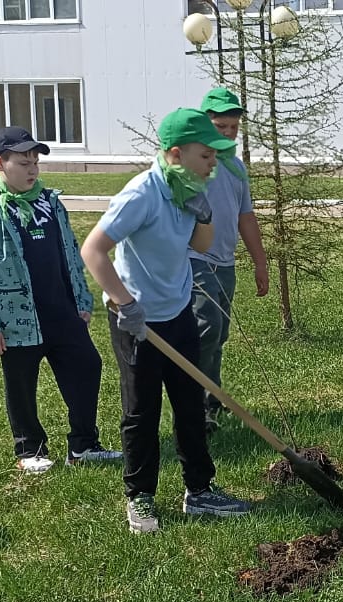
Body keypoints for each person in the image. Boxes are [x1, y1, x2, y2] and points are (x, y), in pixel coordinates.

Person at [81, 107, 254, 534]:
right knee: (142, 411)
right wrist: (126, 304)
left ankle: (199, 490)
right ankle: (139, 497)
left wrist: (205, 215)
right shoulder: (142, 194)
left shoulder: (187, 190)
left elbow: (200, 243)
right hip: (136, 321)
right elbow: (93, 251)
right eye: (206, 156)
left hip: (177, 311)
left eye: (216, 156)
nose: (214, 163)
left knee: (190, 403)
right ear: (176, 155)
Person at [0, 127, 122, 474]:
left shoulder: (50, 204)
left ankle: (83, 445)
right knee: (20, 383)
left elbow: (70, 255)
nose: (32, 169)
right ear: (0, 163)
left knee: (87, 366)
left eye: (35, 162)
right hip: (16, 319)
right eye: (23, 162)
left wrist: (81, 297)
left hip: (61, 311)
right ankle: (29, 449)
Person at [193, 87, 270, 433]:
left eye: (233, 127)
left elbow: (246, 216)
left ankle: (212, 398)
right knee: (205, 327)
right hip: (193, 259)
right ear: (205, 124)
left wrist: (259, 261)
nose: (227, 133)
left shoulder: (237, 168)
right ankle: (196, 405)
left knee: (219, 333)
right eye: (219, 126)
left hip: (224, 263)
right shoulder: (195, 164)